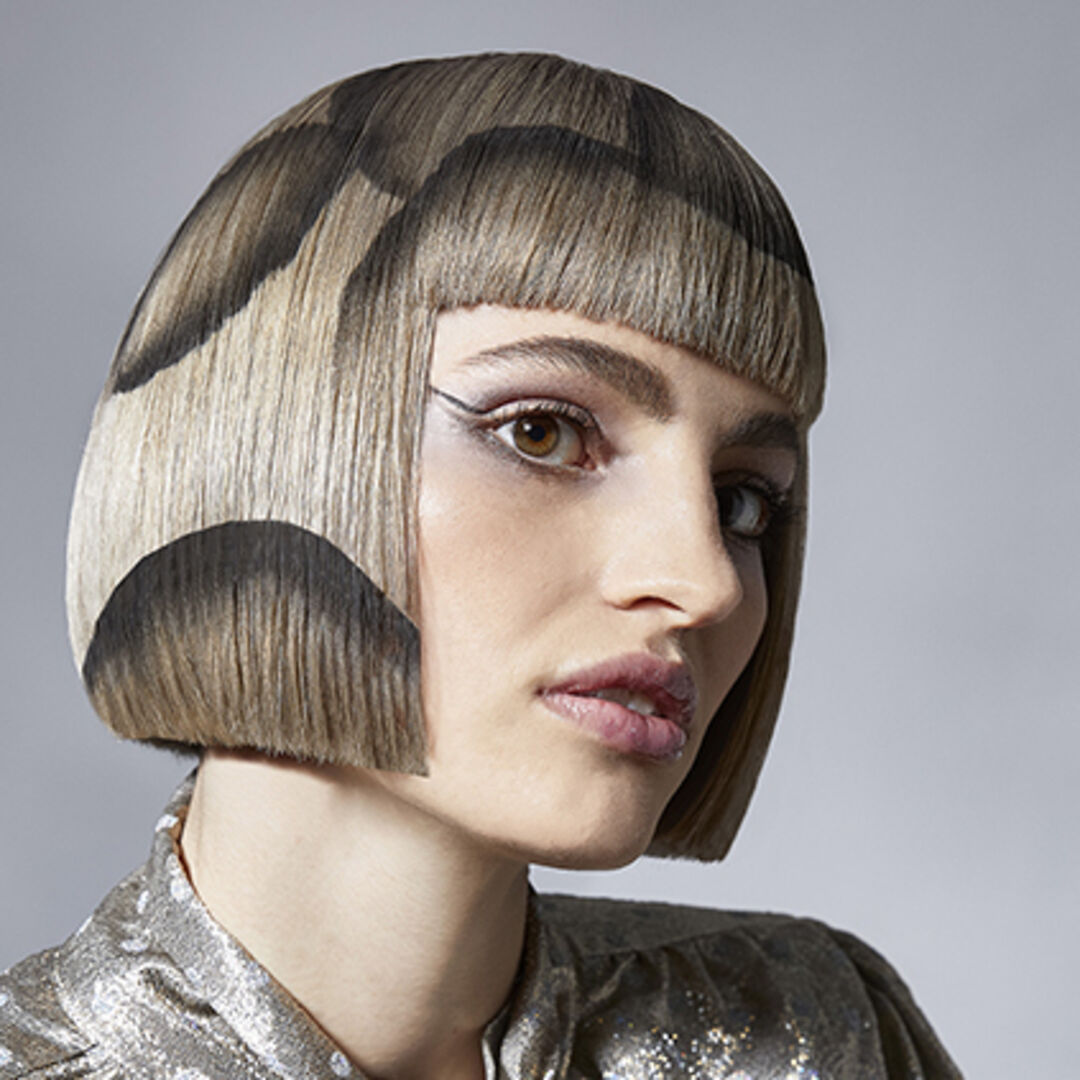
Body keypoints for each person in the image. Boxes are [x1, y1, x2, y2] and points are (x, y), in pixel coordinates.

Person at [0, 53, 960, 1079]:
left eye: (741, 502)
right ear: (260, 443)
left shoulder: (825, 1033)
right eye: (544, 432)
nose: (707, 582)